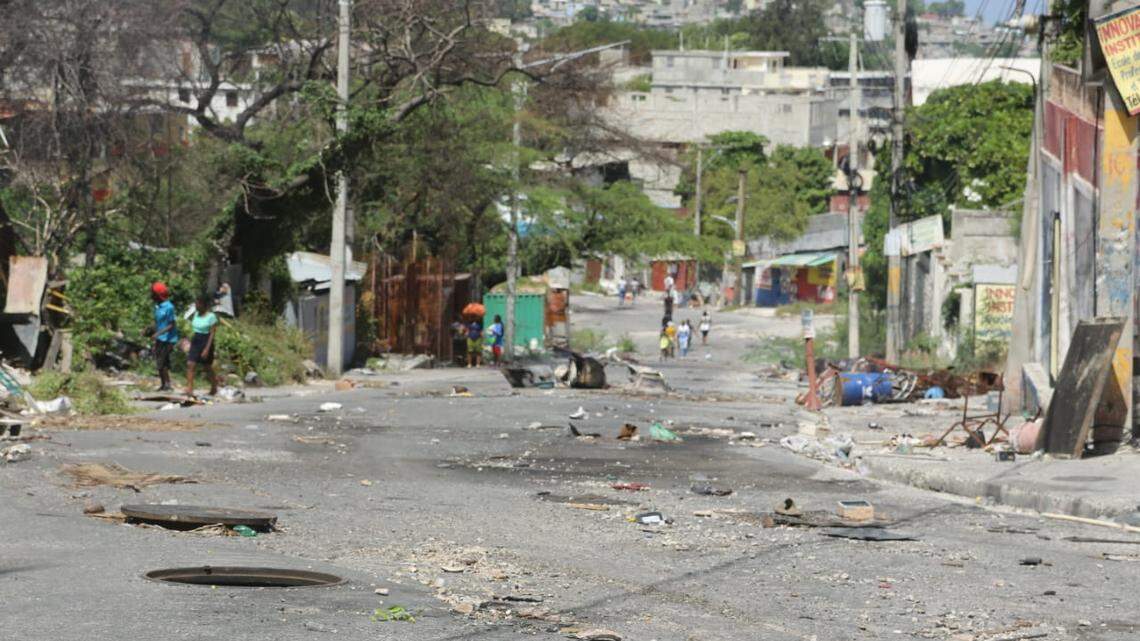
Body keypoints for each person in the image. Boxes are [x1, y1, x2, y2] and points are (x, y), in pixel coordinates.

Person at [185, 295, 220, 397]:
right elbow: (195, 329)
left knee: (207, 366)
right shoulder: (196, 314)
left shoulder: (211, 316)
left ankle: (214, 386)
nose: (196, 306)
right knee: (190, 364)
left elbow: (212, 333)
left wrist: (207, 349)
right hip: (196, 340)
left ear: (204, 305)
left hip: (206, 340)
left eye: (198, 304)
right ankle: (189, 388)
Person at [148, 282, 178, 392]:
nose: (151, 295)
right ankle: (163, 384)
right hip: (161, 338)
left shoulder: (169, 307)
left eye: (153, 293)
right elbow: (158, 322)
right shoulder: (158, 306)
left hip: (168, 339)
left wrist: (158, 333)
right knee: (160, 361)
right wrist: (149, 328)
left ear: (158, 295)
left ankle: (167, 384)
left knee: (162, 361)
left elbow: (171, 324)